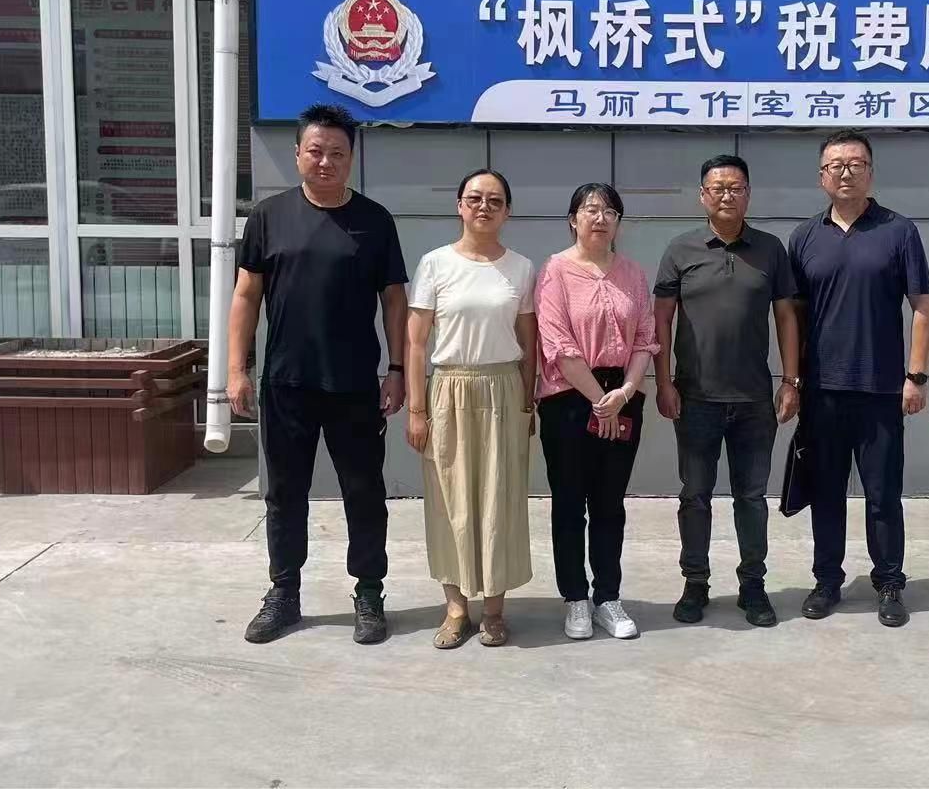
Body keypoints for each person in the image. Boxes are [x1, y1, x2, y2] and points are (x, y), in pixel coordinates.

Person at [229, 104, 407, 645]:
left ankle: (369, 591)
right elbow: (245, 296)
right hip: (287, 382)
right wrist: (237, 370)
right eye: (315, 151)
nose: (325, 161)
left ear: (351, 158)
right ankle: (284, 592)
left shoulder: (375, 220)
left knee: (364, 492)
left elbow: (394, 300)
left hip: (354, 384)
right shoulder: (268, 216)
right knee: (285, 494)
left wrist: (397, 368)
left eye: (337, 153)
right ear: (297, 154)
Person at [789, 130, 929, 628]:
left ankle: (889, 582)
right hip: (823, 390)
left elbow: (923, 306)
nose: (845, 172)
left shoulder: (899, 230)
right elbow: (793, 316)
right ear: (821, 176)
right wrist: (793, 380)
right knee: (825, 493)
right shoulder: (804, 237)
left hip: (881, 389)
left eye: (856, 163)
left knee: (882, 495)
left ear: (870, 172)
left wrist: (916, 375)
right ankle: (827, 580)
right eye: (836, 165)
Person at [654, 155, 802, 629]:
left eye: (736, 188)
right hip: (695, 398)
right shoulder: (680, 250)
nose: (726, 195)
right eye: (717, 188)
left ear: (748, 195)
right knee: (694, 496)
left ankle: (752, 585)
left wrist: (790, 381)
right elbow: (661, 321)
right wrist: (663, 382)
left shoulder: (770, 250)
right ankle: (695, 583)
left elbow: (786, 317)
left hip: (754, 400)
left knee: (752, 498)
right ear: (703, 196)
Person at [405, 170, 538, 650]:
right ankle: (456, 608)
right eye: (475, 198)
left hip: (503, 388)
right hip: (449, 388)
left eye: (495, 200)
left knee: (500, 498)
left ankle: (495, 610)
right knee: (450, 499)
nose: (484, 207)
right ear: (459, 205)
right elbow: (416, 342)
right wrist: (416, 409)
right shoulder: (435, 264)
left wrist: (528, 400)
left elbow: (529, 341)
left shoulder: (521, 268)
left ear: (508, 211)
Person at [535, 183, 659, 641]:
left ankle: (608, 596)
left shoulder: (633, 274)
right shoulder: (555, 271)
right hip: (569, 400)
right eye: (590, 210)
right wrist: (597, 399)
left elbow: (645, 338)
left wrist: (624, 392)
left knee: (609, 503)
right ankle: (575, 598)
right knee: (570, 503)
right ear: (573, 219)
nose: (600, 218)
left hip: (623, 397)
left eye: (610, 211)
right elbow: (557, 342)